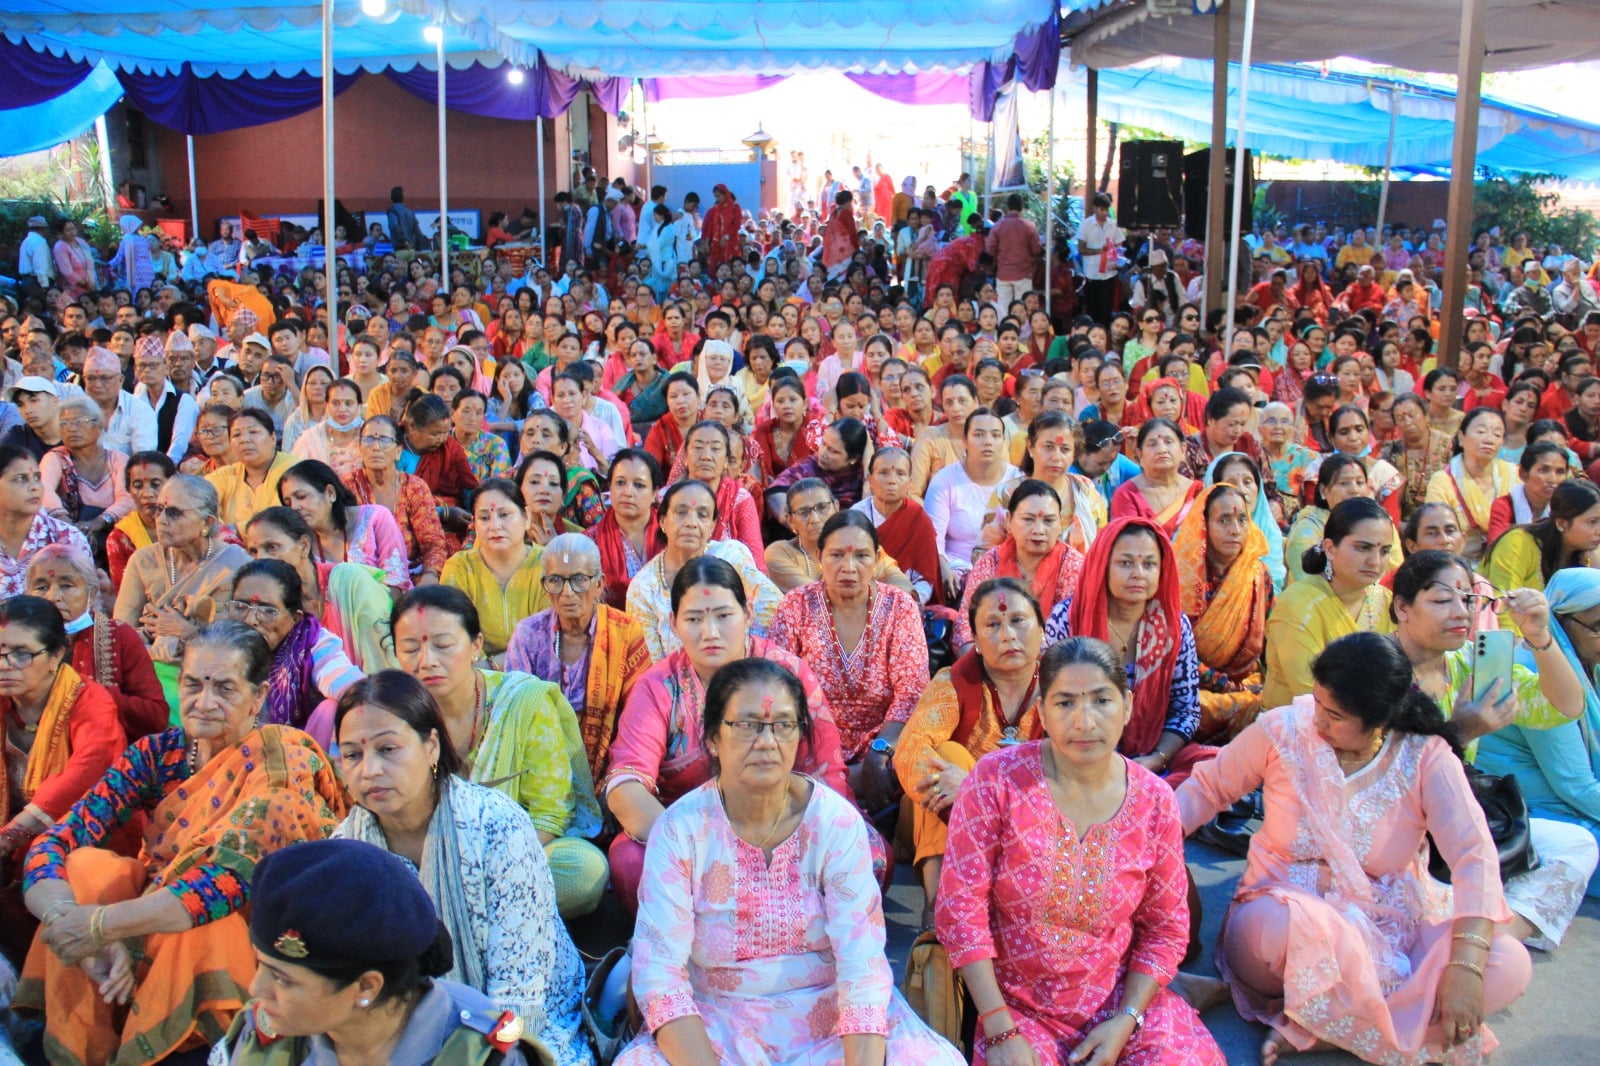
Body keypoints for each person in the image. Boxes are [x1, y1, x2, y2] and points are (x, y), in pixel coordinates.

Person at [1175, 633, 1533, 1066]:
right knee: (1277, 930)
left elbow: (1474, 854)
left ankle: (1325, 1029)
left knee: (1507, 964)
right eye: (1318, 702)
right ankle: (1393, 1024)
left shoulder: (1425, 756)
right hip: (1285, 917)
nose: (1317, 721)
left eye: (1335, 715)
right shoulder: (1283, 729)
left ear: (1381, 721)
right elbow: (1208, 788)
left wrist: (1466, 967)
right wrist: (1144, 842)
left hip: (1392, 927)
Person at [16, 623, 346, 1066]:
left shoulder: (282, 759)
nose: (204, 702)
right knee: (87, 868)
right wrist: (73, 926)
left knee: (203, 925)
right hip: (138, 927)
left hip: (243, 939)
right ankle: (84, 1048)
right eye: (192, 685)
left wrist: (101, 927)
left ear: (259, 696)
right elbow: (56, 842)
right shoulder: (157, 754)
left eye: (224, 688)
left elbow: (220, 886)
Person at [613, 657, 962, 1066]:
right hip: (715, 1022)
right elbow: (661, 975)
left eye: (783, 725)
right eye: (747, 725)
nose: (767, 741)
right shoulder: (679, 830)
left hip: (833, 1022)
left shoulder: (834, 823)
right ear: (712, 738)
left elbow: (861, 968)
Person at [939, 637, 1227, 1066]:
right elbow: (961, 913)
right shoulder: (995, 781)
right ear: (1042, 711)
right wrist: (1000, 1028)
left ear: (1127, 706)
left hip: (1121, 1000)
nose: (1085, 721)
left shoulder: (1154, 801)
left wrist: (1125, 1021)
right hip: (1017, 1009)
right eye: (1066, 703)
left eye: (1101, 700)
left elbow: (1165, 929)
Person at [330, 673, 592, 1063]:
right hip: (400, 1039)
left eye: (388, 749)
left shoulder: (497, 827)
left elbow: (520, 996)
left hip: (523, 1029)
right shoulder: (345, 853)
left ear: (431, 747)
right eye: (353, 755)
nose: (369, 770)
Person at [602, 556, 858, 914]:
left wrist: (781, 846)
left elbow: (826, 776)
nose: (710, 632)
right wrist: (698, 848)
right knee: (631, 863)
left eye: (723, 615)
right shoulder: (658, 688)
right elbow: (625, 786)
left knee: (870, 856)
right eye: (694, 619)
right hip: (692, 839)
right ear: (673, 623)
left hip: (782, 830)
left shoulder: (788, 675)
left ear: (748, 613)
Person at [1390, 551, 1597, 946]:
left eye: (1469, 599)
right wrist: (1460, 733)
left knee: (1576, 845)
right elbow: (1375, 775)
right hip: (1395, 829)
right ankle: (1467, 940)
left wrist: (1540, 637)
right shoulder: (1377, 666)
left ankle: (1491, 940)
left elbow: (1566, 706)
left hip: (1457, 819)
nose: (1461, 612)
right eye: (1442, 599)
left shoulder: (1471, 662)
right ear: (1402, 607)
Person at [218, 838, 549, 1066]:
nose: (256, 989)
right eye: (261, 966)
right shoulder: (264, 1040)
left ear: (366, 987)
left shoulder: (478, 1056)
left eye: (282, 979)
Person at [390, 586, 606, 919]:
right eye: (410, 648)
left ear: (476, 645)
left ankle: (446, 913)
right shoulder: (391, 715)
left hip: (509, 855)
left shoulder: (521, 701)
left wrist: (479, 864)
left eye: (443, 645)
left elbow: (549, 815)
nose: (427, 661)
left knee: (583, 869)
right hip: (427, 857)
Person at [895, 578, 1048, 926]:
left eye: (1018, 621)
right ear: (976, 641)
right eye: (992, 625)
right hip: (944, 822)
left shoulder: (1061, 689)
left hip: (1025, 822)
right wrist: (966, 797)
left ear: (1041, 629)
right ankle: (939, 906)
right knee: (945, 756)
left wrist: (975, 793)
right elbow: (910, 751)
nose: (1007, 635)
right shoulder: (953, 681)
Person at [769, 510, 927, 808]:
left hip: (885, 749)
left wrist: (880, 750)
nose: (849, 567)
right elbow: (778, 685)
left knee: (919, 768)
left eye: (861, 556)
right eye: (837, 555)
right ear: (819, 557)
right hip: (811, 748)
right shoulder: (796, 606)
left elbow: (912, 691)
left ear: (877, 559)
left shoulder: (899, 607)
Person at [1043, 518, 1212, 786]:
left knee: (1210, 770)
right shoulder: (1068, 618)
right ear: (1103, 565)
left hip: (1150, 762)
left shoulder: (1174, 626)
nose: (1138, 573)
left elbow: (1186, 711)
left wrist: (1156, 759)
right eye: (1125, 563)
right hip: (1074, 754)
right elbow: (1050, 701)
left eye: (1149, 564)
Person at [1477, 565, 1600, 900]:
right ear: (1561, 623)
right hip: (1533, 809)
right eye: (1598, 626)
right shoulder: (1538, 670)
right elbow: (1574, 785)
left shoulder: (1589, 662)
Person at [0, 594, 128, 898]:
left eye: (21, 654)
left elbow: (83, 775)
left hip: (81, 843)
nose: (4, 665)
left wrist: (8, 838)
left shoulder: (91, 703)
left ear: (56, 655)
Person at [504, 533, 652, 783]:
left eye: (579, 580)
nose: (567, 592)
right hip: (541, 770)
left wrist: (613, 781)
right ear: (545, 587)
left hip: (612, 770)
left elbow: (639, 719)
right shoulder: (528, 635)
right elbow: (517, 715)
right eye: (555, 581)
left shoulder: (625, 633)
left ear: (599, 584)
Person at [1263, 497, 1397, 708]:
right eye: (1363, 548)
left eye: (1385, 551)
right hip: (1300, 723)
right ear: (1330, 548)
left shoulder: (1385, 600)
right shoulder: (1298, 605)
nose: (1375, 561)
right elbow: (1312, 697)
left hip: (1373, 721)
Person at [626, 479, 781, 660]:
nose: (691, 523)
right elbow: (652, 664)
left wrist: (740, 655)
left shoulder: (731, 556)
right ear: (662, 521)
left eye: (702, 515)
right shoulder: (643, 588)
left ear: (712, 526)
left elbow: (774, 607)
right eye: (681, 512)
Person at [24, 545, 167, 739]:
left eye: (66, 586)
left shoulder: (120, 636)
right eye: (41, 588)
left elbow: (156, 717)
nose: (53, 597)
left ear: (91, 594)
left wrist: (99, 695)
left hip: (104, 749)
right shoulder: (15, 641)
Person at [221, 558, 364, 750]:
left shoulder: (311, 642)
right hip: (232, 754)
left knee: (331, 710)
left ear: (295, 618)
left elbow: (347, 683)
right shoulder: (220, 646)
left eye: (267, 610)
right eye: (240, 607)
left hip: (298, 756)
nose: (250, 620)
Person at [113, 473, 253, 668]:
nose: (161, 520)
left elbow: (243, 644)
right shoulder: (142, 561)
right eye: (159, 509)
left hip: (214, 670)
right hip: (145, 668)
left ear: (207, 522)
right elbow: (120, 634)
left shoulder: (236, 564)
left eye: (174, 513)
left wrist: (188, 633)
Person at [1173, 482, 1274, 744]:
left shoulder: (1258, 576)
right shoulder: (1182, 578)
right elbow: (1176, 652)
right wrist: (1228, 686)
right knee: (1192, 707)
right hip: (1191, 686)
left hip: (1249, 684)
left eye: (1242, 520)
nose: (1235, 530)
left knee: (1274, 705)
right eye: (1224, 520)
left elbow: (1273, 639)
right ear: (1204, 525)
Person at [243, 507, 397, 675]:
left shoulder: (350, 581)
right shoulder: (270, 607)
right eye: (253, 552)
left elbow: (381, 662)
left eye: (271, 547)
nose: (260, 559)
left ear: (304, 546)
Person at [956, 479, 1086, 651]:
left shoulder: (1074, 566)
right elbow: (965, 626)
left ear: (1060, 525)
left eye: (1048, 521)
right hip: (993, 658)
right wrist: (979, 660)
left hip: (1056, 660)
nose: (1038, 530)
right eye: (1028, 519)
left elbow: (1077, 633)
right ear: (1009, 521)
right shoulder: (990, 562)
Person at [439, 479, 551, 662]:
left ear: (527, 517)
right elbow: (454, 633)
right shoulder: (460, 568)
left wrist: (494, 665)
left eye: (504, 515)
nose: (495, 526)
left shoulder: (548, 564)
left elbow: (548, 639)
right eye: (484, 518)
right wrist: (484, 670)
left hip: (538, 669)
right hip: (475, 670)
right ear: (474, 523)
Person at [925, 407, 1018, 598]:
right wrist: (944, 569)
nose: (987, 442)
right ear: (965, 440)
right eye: (979, 435)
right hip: (957, 575)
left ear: (1003, 441)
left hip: (1007, 573)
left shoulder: (1017, 481)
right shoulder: (945, 481)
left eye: (995, 435)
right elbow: (933, 539)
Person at [278, 459, 410, 593]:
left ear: (330, 493)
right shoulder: (300, 544)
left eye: (301, 496)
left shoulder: (375, 518)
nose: (294, 507)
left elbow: (397, 584)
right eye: (288, 503)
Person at [346, 415, 450, 583]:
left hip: (411, 575)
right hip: (362, 578)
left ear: (398, 451)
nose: (376, 447)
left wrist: (430, 576)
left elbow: (432, 542)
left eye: (385, 440)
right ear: (360, 448)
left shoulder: (414, 487)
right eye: (369, 440)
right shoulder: (347, 487)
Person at [764, 479, 912, 594]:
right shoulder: (780, 552)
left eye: (822, 507)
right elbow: (816, 597)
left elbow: (901, 583)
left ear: (836, 507)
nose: (814, 519)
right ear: (790, 520)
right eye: (804, 512)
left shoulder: (859, 544)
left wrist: (893, 601)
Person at [853, 446, 945, 606]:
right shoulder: (856, 517)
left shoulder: (919, 519)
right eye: (883, 473)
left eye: (900, 474)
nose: (891, 480)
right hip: (862, 600)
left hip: (907, 603)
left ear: (910, 483)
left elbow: (926, 578)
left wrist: (909, 603)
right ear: (870, 479)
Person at [1425, 407, 1518, 561]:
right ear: (1461, 438)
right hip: (1457, 562)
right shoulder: (1443, 481)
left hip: (1508, 560)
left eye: (1497, 434)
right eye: (1481, 432)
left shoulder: (1514, 475)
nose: (1489, 439)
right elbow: (1435, 531)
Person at [40, 395, 133, 547]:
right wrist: (70, 527)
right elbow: (44, 490)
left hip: (113, 534)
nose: (71, 429)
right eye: (64, 423)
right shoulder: (55, 458)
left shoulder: (119, 459)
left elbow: (127, 499)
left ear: (99, 426)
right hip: (69, 535)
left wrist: (98, 522)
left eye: (79, 421)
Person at [0, 445, 92, 598]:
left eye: (37, 477)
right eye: (21, 479)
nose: (34, 487)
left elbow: (84, 605)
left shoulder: (67, 539)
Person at [1481, 479, 1600, 597]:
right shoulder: (1518, 544)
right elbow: (1502, 601)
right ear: (1561, 524)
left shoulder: (1589, 555)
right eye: (1592, 522)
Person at [587, 448, 661, 610]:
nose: (628, 492)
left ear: (654, 492)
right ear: (610, 487)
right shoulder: (590, 542)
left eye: (639, 485)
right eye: (620, 483)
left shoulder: (671, 534)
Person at [1111, 418, 1203, 536]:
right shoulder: (1127, 495)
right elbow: (1129, 541)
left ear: (1183, 450)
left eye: (1168, 442)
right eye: (1152, 444)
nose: (1162, 450)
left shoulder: (1197, 492)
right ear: (1139, 454)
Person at [207, 408, 295, 531]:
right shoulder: (226, 475)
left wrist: (229, 531)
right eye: (236, 435)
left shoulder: (293, 469)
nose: (244, 440)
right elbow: (199, 503)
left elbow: (280, 519)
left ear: (273, 438)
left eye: (253, 432)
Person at [288, 378, 365, 482]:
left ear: (359, 406)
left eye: (348, 403)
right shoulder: (310, 439)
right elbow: (296, 477)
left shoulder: (370, 434)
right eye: (335, 403)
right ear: (326, 405)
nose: (342, 409)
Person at [1487, 439, 1565, 542]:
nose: (1553, 479)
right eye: (1544, 470)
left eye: (1560, 472)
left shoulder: (1566, 507)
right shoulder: (1505, 505)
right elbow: (1495, 546)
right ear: (1523, 474)